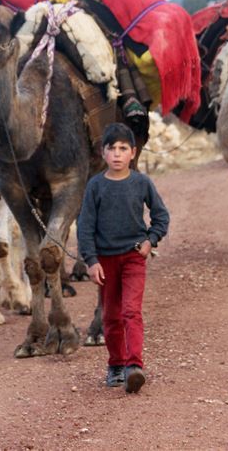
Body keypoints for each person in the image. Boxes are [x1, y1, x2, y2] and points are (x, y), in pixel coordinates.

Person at [77, 122, 170, 393]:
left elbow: (161, 216)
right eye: (112, 148)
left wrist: (150, 240)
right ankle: (116, 365)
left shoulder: (141, 182)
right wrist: (91, 260)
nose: (117, 154)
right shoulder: (95, 186)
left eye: (123, 148)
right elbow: (85, 226)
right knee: (111, 316)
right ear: (103, 152)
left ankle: (134, 366)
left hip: (133, 257)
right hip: (105, 261)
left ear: (133, 152)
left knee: (131, 311)